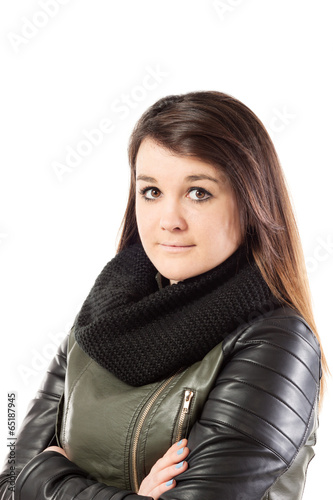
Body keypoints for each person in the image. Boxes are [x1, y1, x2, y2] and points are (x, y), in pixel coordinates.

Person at [0, 91, 327, 500]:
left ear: (251, 202)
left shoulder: (279, 343)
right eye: (151, 191)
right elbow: (8, 485)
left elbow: (27, 477)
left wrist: (44, 476)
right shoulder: (103, 314)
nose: (169, 220)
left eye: (198, 192)